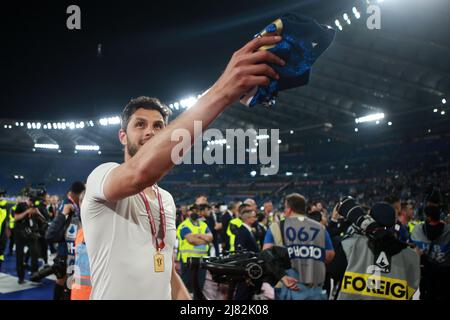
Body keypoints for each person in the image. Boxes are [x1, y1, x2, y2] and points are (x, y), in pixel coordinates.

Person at [81, 34, 286, 299]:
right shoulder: (101, 176)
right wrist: (222, 92)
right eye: (140, 124)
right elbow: (138, 173)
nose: (150, 132)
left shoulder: (166, 199)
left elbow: (166, 271)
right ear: (122, 136)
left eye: (158, 126)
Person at [337, 201, 420, 300]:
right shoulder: (411, 255)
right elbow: (411, 289)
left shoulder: (349, 245)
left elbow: (335, 273)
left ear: (369, 221)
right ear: (394, 222)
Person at [263, 193, 335, 300]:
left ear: (289, 209)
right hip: (313, 287)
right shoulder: (319, 227)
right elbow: (330, 255)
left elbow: (266, 253)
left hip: (285, 286)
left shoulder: (276, 227)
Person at [411, 205, 450, 300]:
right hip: (444, 276)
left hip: (425, 276)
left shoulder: (417, 230)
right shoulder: (448, 230)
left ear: (427, 217)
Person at [234, 209, 259, 300]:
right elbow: (240, 252)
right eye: (254, 216)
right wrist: (245, 270)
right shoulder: (242, 231)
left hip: (249, 268)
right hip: (246, 270)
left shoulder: (246, 230)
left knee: (247, 294)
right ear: (248, 219)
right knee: (242, 294)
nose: (256, 219)